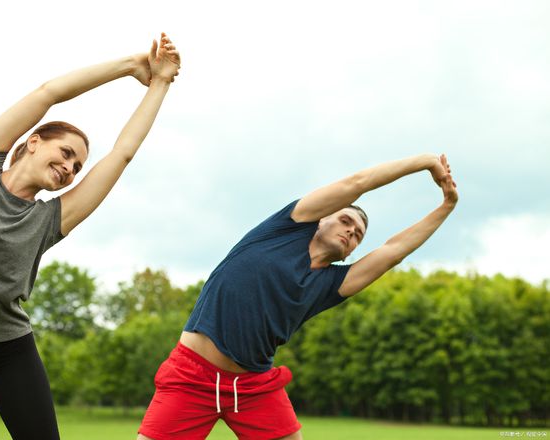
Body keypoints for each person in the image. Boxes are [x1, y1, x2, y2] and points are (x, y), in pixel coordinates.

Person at [0, 33, 181, 440]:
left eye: (77, 167)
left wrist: (161, 84)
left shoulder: (50, 219)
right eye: (66, 153)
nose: (70, 168)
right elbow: (48, 92)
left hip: (6, 351)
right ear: (32, 142)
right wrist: (130, 66)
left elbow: (123, 153)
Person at [138, 154, 458, 440]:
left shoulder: (332, 284)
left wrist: (446, 207)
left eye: (358, 234)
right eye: (346, 221)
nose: (351, 231)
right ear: (323, 217)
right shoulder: (287, 226)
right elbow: (357, 183)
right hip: (193, 376)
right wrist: (425, 161)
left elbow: (393, 251)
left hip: (254, 387)